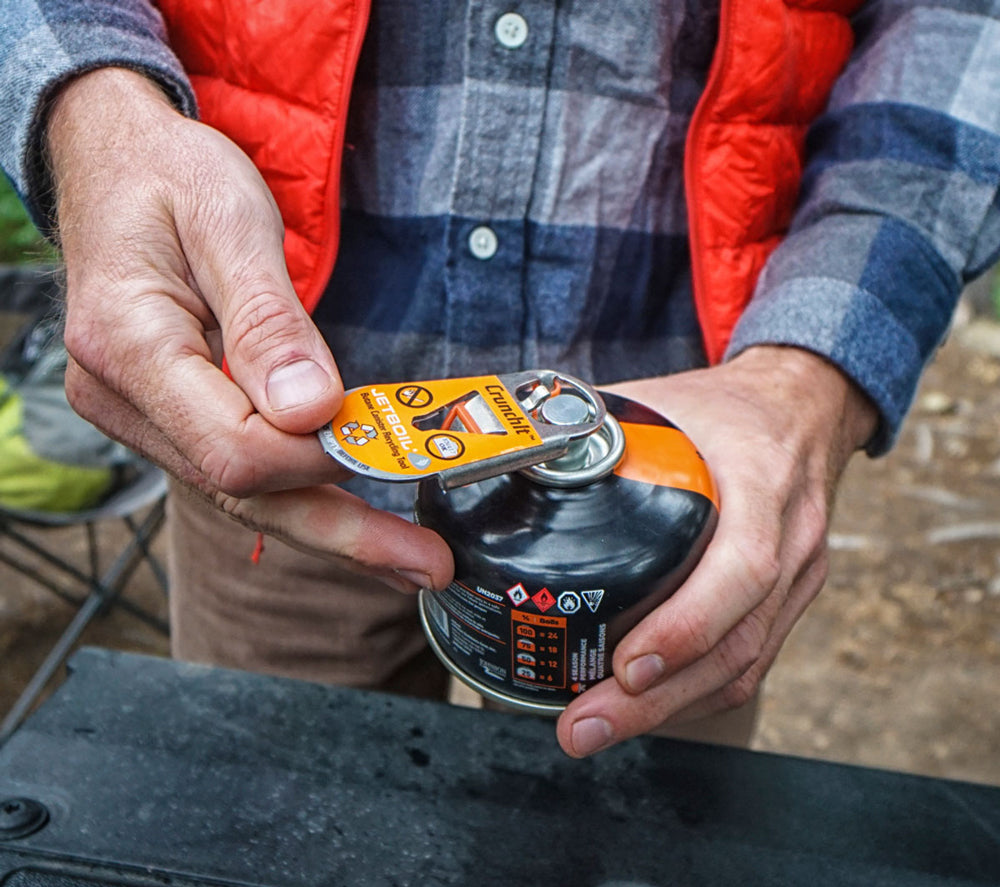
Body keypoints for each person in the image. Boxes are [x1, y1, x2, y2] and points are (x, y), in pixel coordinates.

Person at [2, 1, 998, 758]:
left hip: (683, 486)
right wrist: (94, 113)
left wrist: (810, 367)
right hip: (272, 453)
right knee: (281, 864)